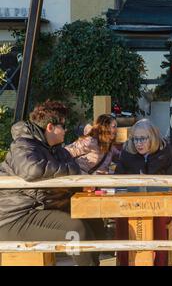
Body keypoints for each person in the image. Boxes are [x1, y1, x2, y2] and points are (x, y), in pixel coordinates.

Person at [0, 100, 105, 266]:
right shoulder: (23, 145)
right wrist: (69, 171)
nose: (66, 130)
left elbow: (74, 170)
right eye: (62, 126)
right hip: (13, 217)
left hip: (40, 208)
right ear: (50, 127)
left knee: (94, 221)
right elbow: (31, 170)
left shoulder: (56, 150)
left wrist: (83, 184)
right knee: (77, 231)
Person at [115, 119, 172, 265]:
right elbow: (117, 180)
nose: (138, 143)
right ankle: (125, 262)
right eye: (135, 139)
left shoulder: (164, 152)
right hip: (132, 203)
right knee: (121, 220)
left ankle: (159, 262)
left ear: (152, 138)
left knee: (157, 220)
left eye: (143, 138)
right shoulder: (127, 153)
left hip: (160, 203)